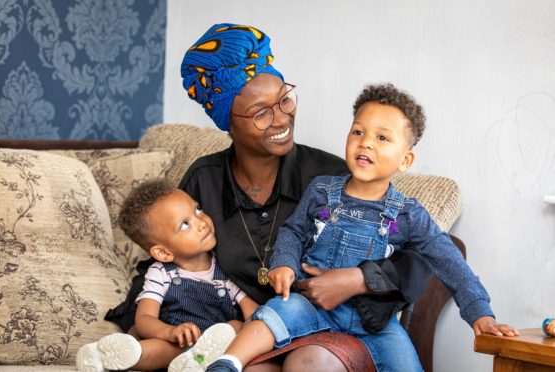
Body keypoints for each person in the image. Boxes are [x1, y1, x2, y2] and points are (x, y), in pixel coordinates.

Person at [105, 23, 428, 371]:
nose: (281, 118)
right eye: (261, 113)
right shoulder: (206, 180)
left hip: (323, 328)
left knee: (307, 362)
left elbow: (418, 256)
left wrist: (358, 279)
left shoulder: (332, 177)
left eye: (284, 99)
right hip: (241, 333)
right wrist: (153, 330)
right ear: (228, 122)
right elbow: (162, 259)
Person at [203, 83, 520, 372]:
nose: (365, 143)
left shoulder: (409, 215)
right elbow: (293, 232)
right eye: (358, 132)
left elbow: (449, 263)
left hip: (374, 323)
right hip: (311, 304)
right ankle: (227, 363)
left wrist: (481, 314)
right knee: (274, 314)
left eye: (382, 138)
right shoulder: (321, 191)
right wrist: (283, 263)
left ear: (405, 160)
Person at [77, 179, 258, 371]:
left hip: (216, 345)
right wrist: (170, 332)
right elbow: (144, 319)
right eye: (185, 225)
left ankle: (198, 360)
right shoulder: (161, 273)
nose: (202, 223)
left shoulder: (225, 267)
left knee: (236, 326)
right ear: (163, 253)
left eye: (197, 210)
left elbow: (253, 314)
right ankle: (103, 358)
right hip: (177, 345)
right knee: (161, 349)